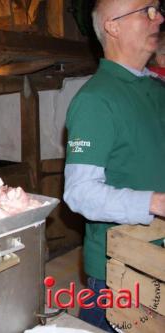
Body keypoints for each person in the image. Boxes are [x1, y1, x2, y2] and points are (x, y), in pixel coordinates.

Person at [63, 1, 165, 331]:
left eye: (157, 9)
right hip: (120, 272)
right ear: (113, 26)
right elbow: (80, 194)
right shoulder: (96, 100)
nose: (159, 18)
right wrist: (154, 203)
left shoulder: (155, 88)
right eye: (147, 11)